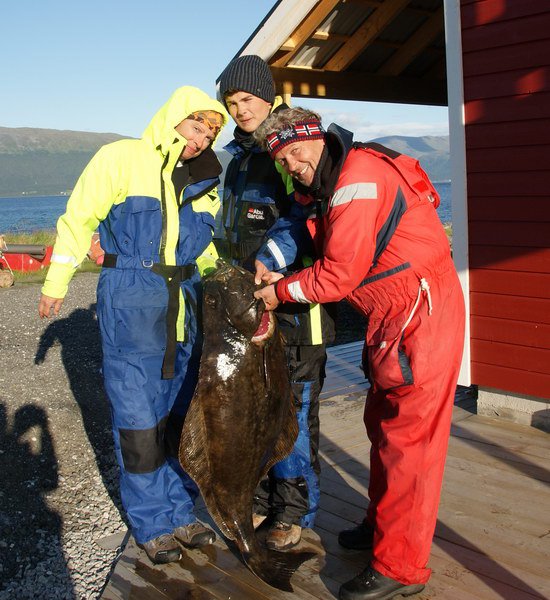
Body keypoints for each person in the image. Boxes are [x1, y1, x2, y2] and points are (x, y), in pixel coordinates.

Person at [253, 107, 465, 600]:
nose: (293, 166)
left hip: (417, 314)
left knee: (409, 442)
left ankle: (399, 568)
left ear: (316, 139)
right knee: (382, 425)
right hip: (391, 316)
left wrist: (279, 292)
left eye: (296, 152)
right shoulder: (332, 178)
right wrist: (272, 260)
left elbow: (337, 276)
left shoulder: (357, 180)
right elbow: (304, 225)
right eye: (283, 160)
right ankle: (383, 527)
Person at [38, 86, 229, 565]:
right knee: (138, 419)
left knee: (176, 414)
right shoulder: (121, 157)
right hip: (130, 296)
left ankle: (180, 510)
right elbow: (78, 218)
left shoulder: (203, 180)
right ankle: (151, 521)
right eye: (195, 125)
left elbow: (205, 250)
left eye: (210, 132)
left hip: (182, 305)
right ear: (174, 119)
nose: (201, 138)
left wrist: (222, 290)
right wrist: (56, 281)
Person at [217, 55, 337, 551]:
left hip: (296, 312)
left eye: (247, 99)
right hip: (251, 307)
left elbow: (302, 217)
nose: (240, 110)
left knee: (292, 413)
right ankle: (267, 502)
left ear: (267, 94)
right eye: (231, 103)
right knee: (259, 410)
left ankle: (295, 513)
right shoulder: (240, 157)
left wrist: (269, 257)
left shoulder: (290, 144)